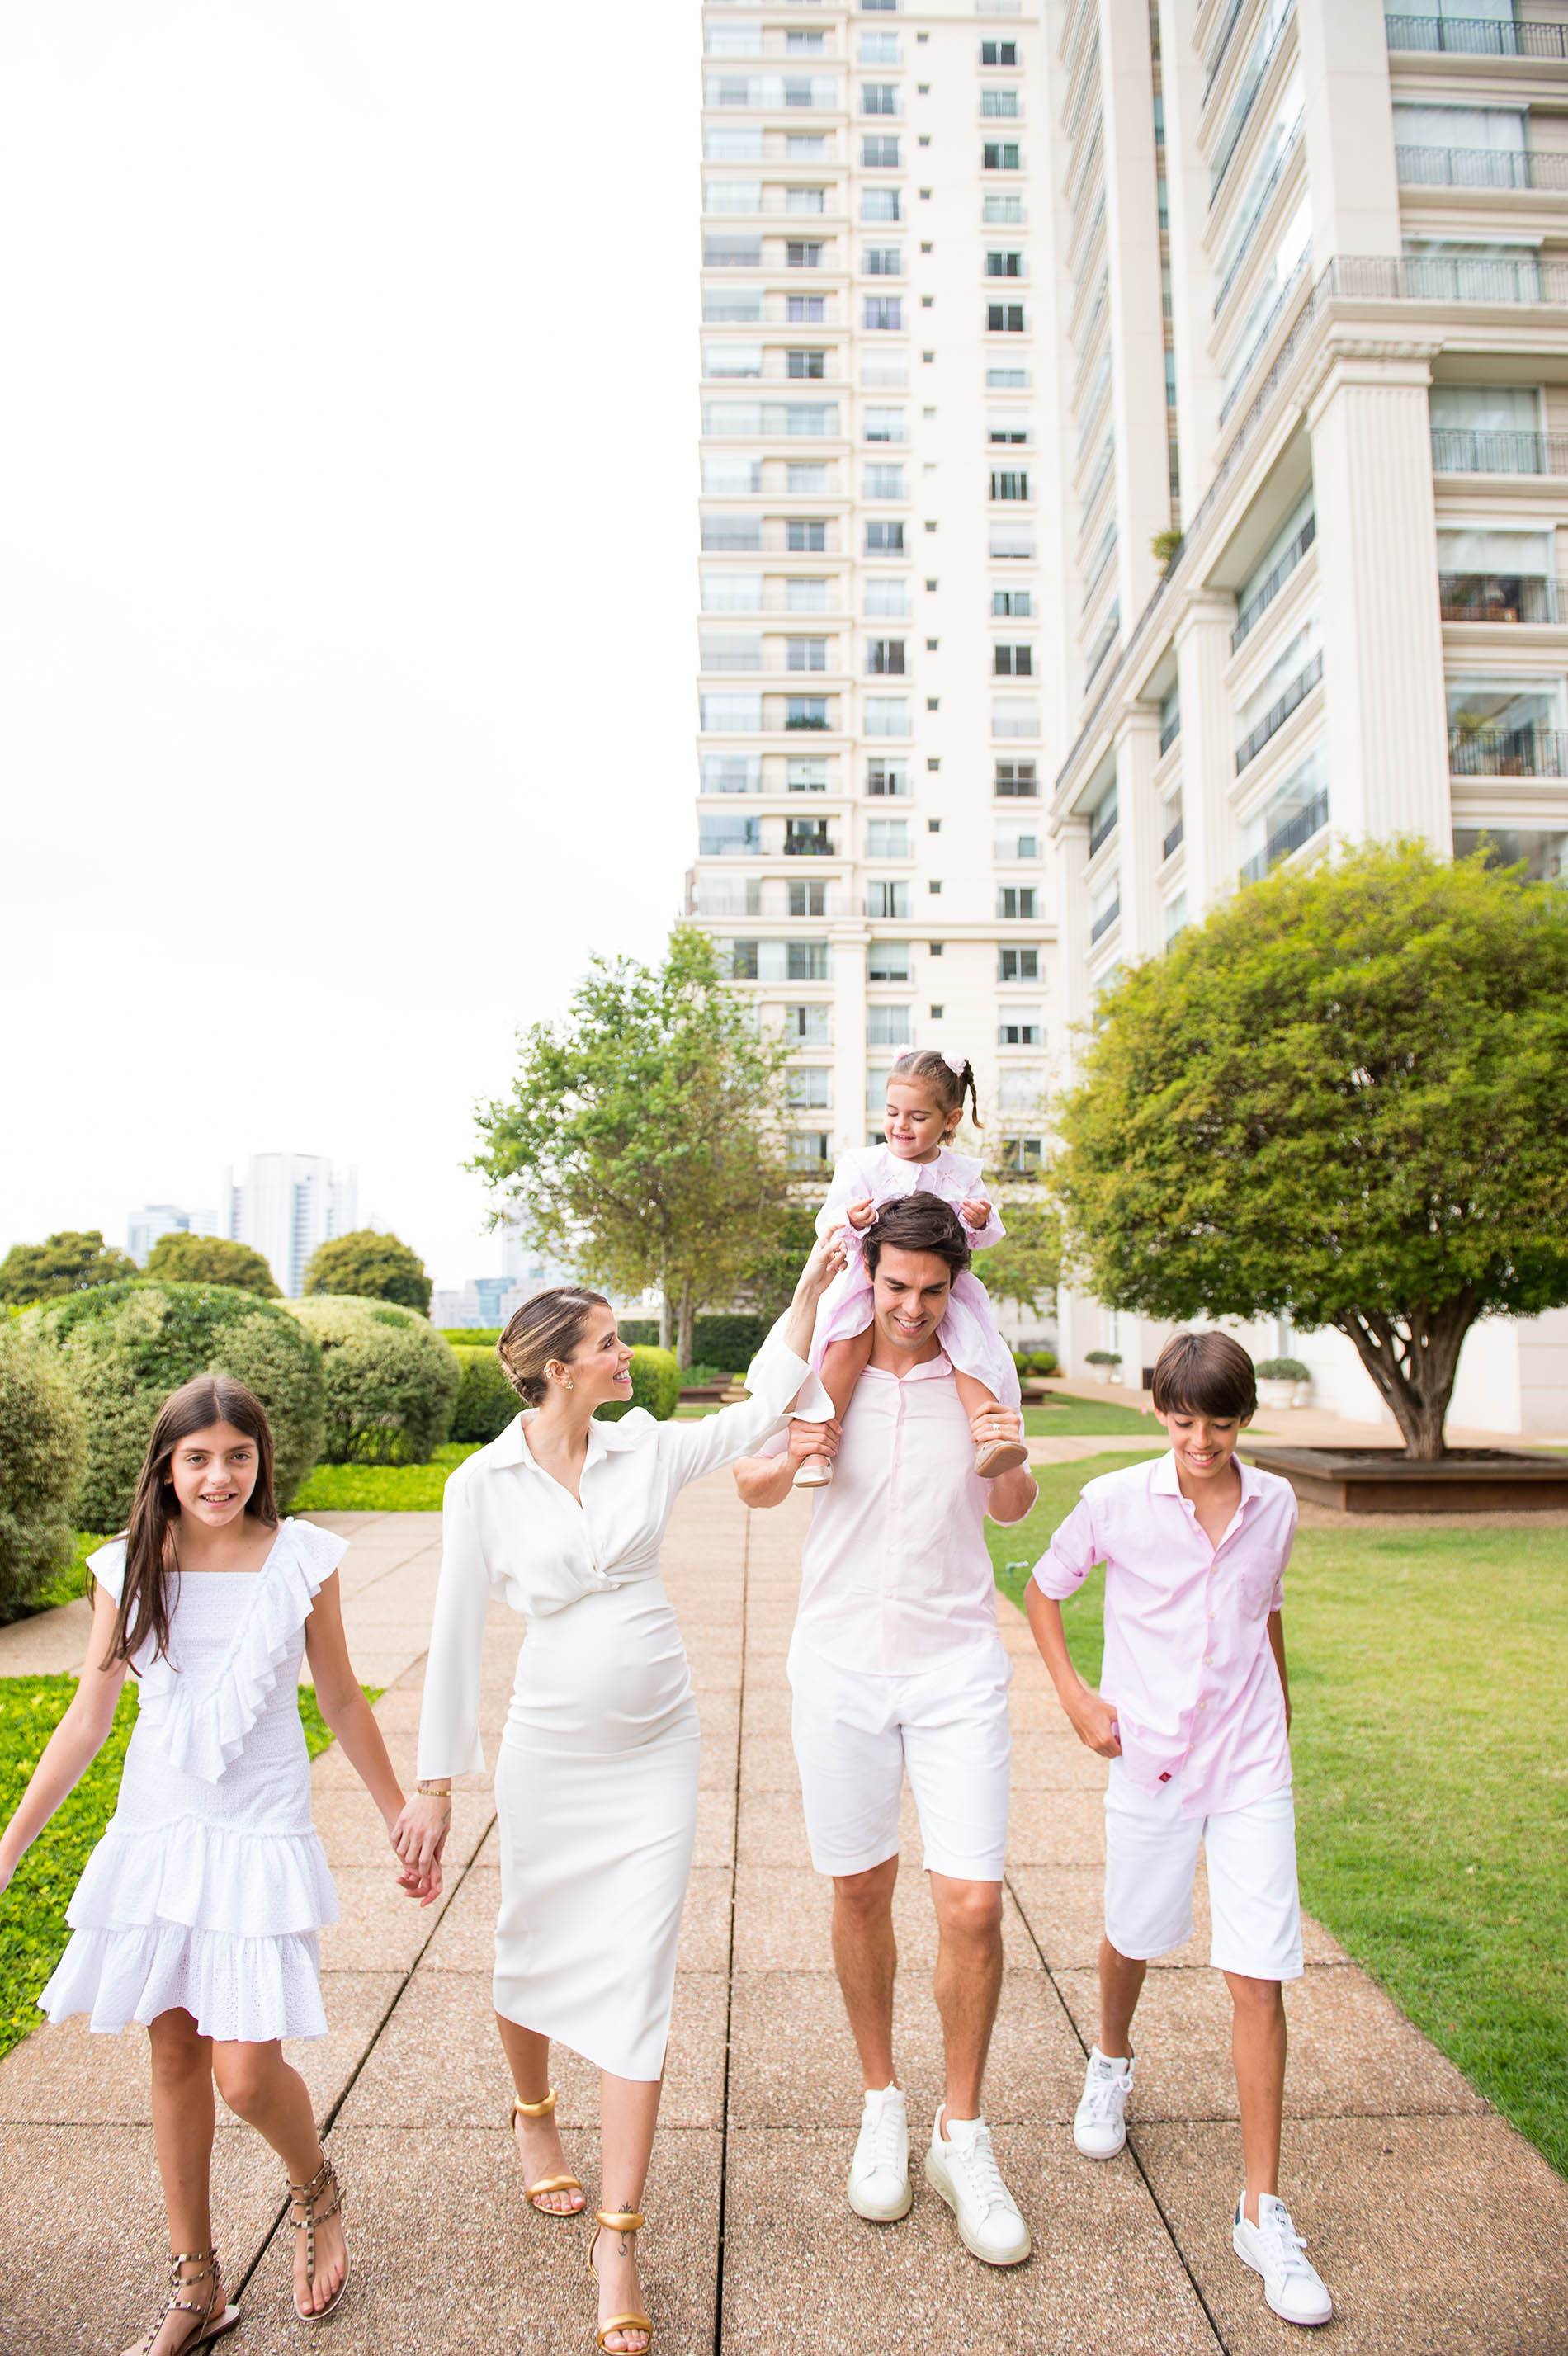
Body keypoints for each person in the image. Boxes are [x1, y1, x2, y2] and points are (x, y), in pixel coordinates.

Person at [394, 1233, 843, 2356]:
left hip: (658, 1749)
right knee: (527, 1943)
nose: (624, 1353)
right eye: (604, 1344)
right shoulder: (480, 1484)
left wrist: (806, 1290)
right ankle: (535, 2116)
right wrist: (435, 1783)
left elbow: (754, 1417)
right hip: (549, 1748)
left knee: (641, 1976)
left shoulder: (644, 1447)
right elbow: (453, 1636)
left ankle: (620, 2237)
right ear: (554, 1368)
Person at [0, 1376, 426, 2354]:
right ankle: (197, 2280)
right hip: (162, 1825)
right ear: (166, 1464)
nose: (220, 1474)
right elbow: (88, 1714)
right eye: (198, 1456)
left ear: (262, 1460)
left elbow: (344, 1698)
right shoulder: (128, 1567)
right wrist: (13, 1841)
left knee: (245, 2073)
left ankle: (316, 2186)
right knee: (174, 2049)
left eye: (239, 1454)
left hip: (257, 1826)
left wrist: (399, 1810)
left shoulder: (302, 1558)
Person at [733, 1193, 1038, 2268]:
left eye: (931, 1289)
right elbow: (755, 1481)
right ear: (871, 1275)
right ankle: (882, 2103)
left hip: (957, 1661)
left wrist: (1006, 1458)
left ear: (957, 1286)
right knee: (859, 1885)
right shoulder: (830, 1359)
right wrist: (796, 1441)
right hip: (840, 1661)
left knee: (971, 1901)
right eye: (895, 1286)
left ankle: (963, 2132)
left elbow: (1012, 1506)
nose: (912, 1307)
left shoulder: (981, 1368)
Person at [1026, 1330, 1333, 2330]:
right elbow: (1042, 1589)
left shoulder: (1274, 1502)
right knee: (1135, 1932)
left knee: (1260, 1969)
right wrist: (1077, 1697)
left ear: (1246, 1417)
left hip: (1248, 1764)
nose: (1201, 1438)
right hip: (1150, 1756)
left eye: (1222, 1420)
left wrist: (1279, 1714)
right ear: (1158, 1407)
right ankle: (1110, 2060)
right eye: (1183, 1417)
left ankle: (1259, 2207)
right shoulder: (1116, 1499)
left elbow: (1265, 1606)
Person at [784, 1047, 1027, 1489]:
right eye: (893, 1112)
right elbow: (829, 1222)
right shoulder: (864, 1164)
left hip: (941, 1287)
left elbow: (984, 1237)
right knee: (845, 1345)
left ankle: (988, 1436)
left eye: (917, 1117)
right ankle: (817, 1447)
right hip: (870, 1282)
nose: (900, 1126)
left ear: (950, 1121)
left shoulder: (961, 1173)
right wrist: (851, 1222)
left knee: (972, 1351)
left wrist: (979, 1219)